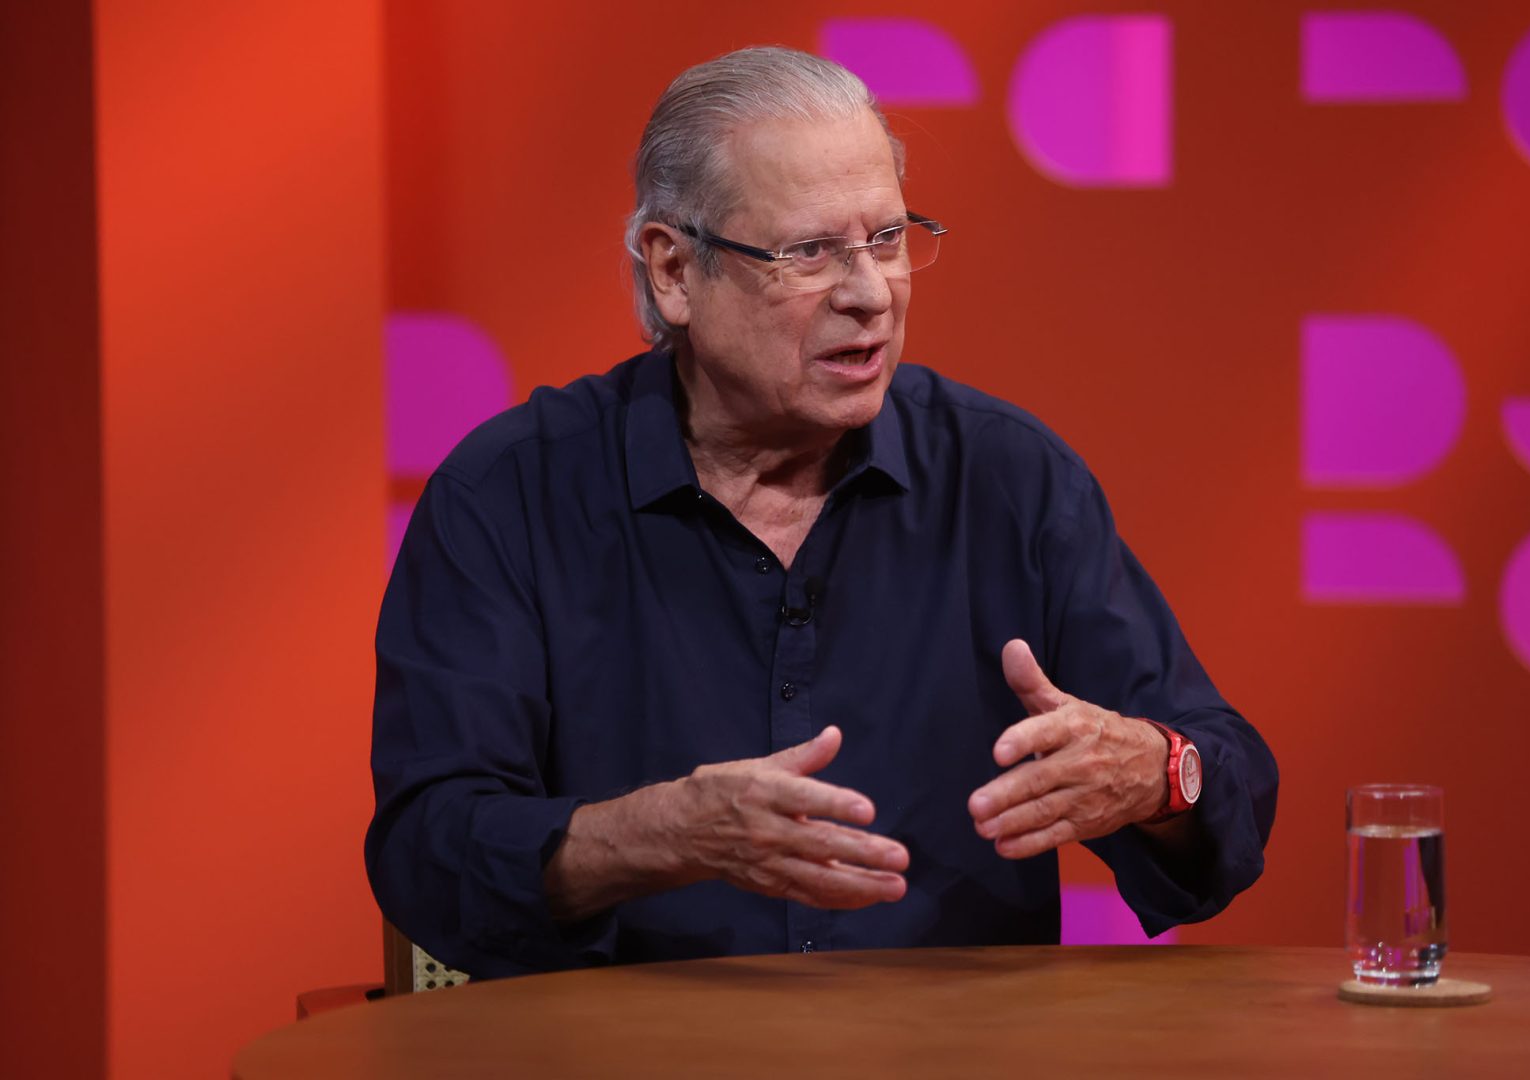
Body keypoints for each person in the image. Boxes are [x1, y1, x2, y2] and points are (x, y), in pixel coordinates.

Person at [365, 46, 1278, 979]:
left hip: (953, 1043)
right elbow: (426, 851)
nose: (869, 293)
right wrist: (657, 834)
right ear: (674, 271)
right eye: (810, 252)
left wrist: (1156, 772)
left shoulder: (1009, 480)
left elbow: (1229, 787)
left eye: (888, 239)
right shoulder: (510, 496)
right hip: (623, 1044)